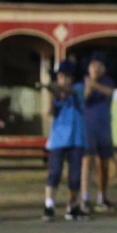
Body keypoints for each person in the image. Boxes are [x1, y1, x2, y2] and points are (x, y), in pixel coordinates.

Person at [42, 59, 88, 222]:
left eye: (66, 76)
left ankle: (72, 206)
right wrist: (52, 94)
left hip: (76, 138)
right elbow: (50, 113)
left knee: (74, 176)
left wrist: (59, 89)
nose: (63, 78)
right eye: (61, 76)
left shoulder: (79, 89)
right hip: (58, 139)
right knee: (54, 173)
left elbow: (75, 94)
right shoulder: (58, 92)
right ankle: (49, 205)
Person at [79, 51, 117, 212]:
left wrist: (94, 84)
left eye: (99, 66)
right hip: (88, 128)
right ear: (88, 68)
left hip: (104, 128)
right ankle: (85, 197)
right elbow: (83, 100)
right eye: (93, 65)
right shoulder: (82, 84)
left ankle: (102, 197)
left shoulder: (107, 82)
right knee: (87, 162)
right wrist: (89, 85)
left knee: (104, 163)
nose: (96, 68)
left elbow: (110, 93)